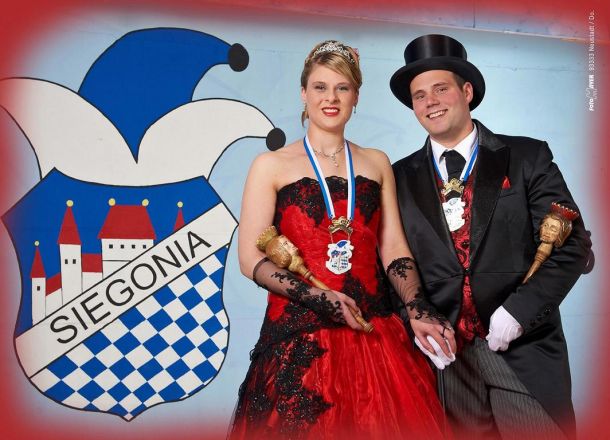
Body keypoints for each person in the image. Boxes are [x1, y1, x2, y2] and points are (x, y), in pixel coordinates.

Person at [230, 40, 452, 439]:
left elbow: (393, 249)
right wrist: (319, 297)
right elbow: (250, 259)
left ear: (356, 96)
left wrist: (417, 308)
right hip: (299, 335)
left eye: (342, 88)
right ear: (304, 93)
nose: (330, 98)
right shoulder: (270, 165)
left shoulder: (377, 162)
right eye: (320, 87)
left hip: (374, 333)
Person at [389, 34, 592, 439]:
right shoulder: (396, 177)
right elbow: (391, 261)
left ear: (467, 92)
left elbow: (572, 245)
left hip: (523, 351)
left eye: (441, 89)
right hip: (447, 363)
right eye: (419, 96)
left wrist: (518, 312)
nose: (430, 102)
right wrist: (416, 322)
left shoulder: (527, 156)